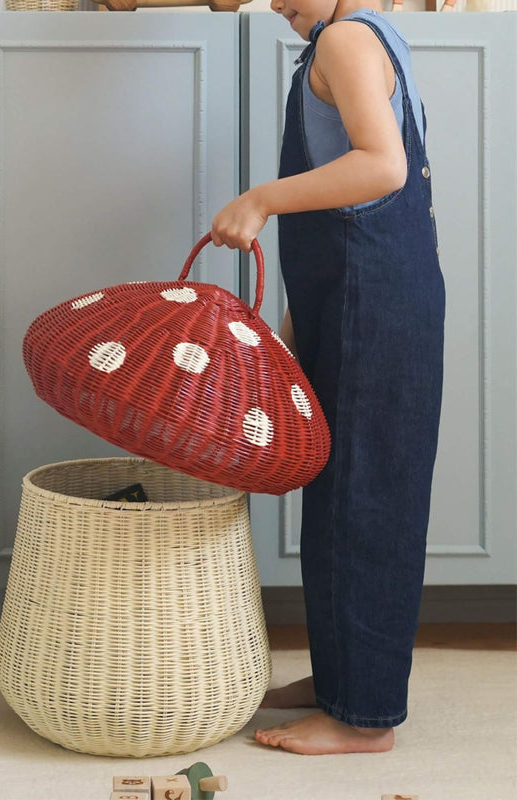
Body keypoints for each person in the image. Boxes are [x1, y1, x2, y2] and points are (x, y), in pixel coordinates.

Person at [211, 0, 445, 755]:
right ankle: (344, 678)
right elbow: (359, 207)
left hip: (370, 301)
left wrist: (261, 200)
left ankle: (361, 717)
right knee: (345, 494)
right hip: (363, 295)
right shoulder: (368, 37)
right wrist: (296, 318)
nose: (274, 1)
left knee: (363, 500)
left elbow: (382, 166)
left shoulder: (344, 40)